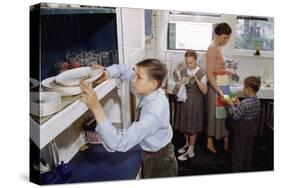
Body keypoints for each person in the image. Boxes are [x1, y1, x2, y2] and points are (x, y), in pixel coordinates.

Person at [79, 59, 178, 178]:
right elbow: (124, 70)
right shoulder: (152, 92)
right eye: (135, 74)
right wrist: (105, 73)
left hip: (159, 162)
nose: (133, 80)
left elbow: (120, 142)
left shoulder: (153, 114)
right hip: (157, 153)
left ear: (153, 84)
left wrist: (96, 107)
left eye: (139, 77)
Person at [173, 50, 208, 160]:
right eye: (187, 62)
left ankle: (191, 150)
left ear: (196, 60)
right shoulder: (183, 71)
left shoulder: (202, 72)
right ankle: (187, 144)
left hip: (195, 102)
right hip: (184, 101)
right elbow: (175, 89)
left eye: (191, 62)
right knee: (184, 126)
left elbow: (205, 91)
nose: (189, 65)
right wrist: (180, 82)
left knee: (192, 127)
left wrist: (196, 79)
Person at [206, 22, 235, 154]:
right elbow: (209, 73)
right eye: (225, 37)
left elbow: (218, 67)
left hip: (222, 82)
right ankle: (209, 142)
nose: (227, 40)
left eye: (228, 38)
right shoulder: (212, 48)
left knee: (223, 113)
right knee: (214, 114)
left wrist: (228, 72)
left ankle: (224, 139)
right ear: (217, 35)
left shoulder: (218, 46)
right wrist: (219, 91)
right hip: (216, 86)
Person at [224, 76, 261, 172]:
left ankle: (237, 171)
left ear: (248, 89)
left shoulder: (245, 103)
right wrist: (238, 105)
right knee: (248, 151)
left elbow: (235, 116)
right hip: (252, 126)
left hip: (242, 128)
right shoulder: (257, 100)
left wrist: (231, 104)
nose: (243, 89)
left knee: (238, 151)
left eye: (244, 87)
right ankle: (247, 169)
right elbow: (247, 111)